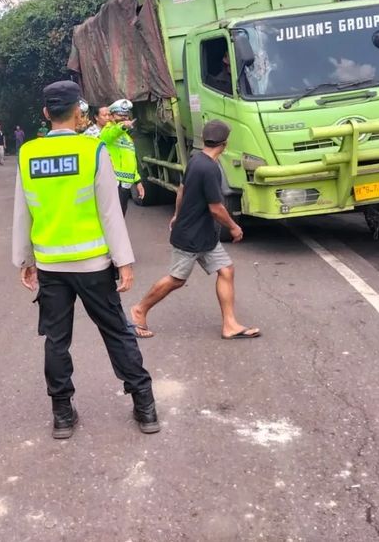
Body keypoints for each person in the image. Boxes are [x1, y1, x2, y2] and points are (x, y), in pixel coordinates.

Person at [14, 80, 159, 439]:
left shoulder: (28, 154)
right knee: (116, 332)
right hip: (93, 264)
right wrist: (124, 260)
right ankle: (145, 406)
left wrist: (24, 259)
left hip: (50, 266)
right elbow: (110, 212)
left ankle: (62, 414)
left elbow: (23, 212)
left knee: (56, 340)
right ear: (79, 112)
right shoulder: (93, 151)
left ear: (46, 113)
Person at [129, 119, 260, 341]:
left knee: (226, 270)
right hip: (191, 236)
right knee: (176, 279)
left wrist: (177, 214)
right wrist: (235, 227)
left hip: (204, 235)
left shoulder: (196, 160)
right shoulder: (209, 168)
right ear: (225, 143)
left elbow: (182, 190)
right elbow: (217, 209)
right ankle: (139, 310)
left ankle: (230, 325)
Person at [100, 99, 144, 216]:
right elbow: (111, 134)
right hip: (113, 185)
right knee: (113, 222)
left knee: (120, 219)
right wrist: (122, 127)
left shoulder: (127, 138)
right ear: (111, 116)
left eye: (126, 115)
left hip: (125, 186)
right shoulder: (107, 131)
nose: (124, 118)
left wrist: (138, 181)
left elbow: (131, 161)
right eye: (120, 115)